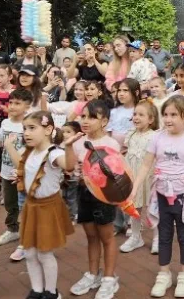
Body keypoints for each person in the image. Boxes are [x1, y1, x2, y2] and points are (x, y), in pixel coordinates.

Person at [131, 96, 184, 298]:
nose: (168, 119)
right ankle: (164, 273)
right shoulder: (157, 137)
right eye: (165, 114)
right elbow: (147, 164)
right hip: (161, 194)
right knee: (164, 235)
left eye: (174, 115)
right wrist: (135, 189)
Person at [8, 111, 75, 299]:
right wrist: (9, 147)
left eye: (32, 128)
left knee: (45, 254)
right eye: (24, 129)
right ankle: (37, 290)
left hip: (47, 208)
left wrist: (69, 147)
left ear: (48, 130)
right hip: (31, 206)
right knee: (29, 253)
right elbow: (23, 166)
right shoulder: (30, 152)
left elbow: (68, 165)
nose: (26, 133)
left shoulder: (54, 153)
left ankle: (51, 292)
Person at [68, 101, 121, 299]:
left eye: (91, 117)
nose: (85, 121)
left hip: (103, 196)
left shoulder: (111, 144)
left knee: (106, 237)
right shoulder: (77, 142)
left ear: (104, 121)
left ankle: (109, 278)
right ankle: (92, 274)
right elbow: (70, 167)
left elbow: (116, 174)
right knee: (91, 235)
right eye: (83, 116)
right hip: (84, 194)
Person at [0, 90, 33, 254]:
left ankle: (27, 238)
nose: (13, 106)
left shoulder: (30, 124)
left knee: (26, 206)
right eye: (12, 102)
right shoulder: (6, 123)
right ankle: (13, 230)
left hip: (24, 173)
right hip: (6, 171)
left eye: (18, 103)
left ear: (28, 106)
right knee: (10, 203)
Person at [119, 100, 159, 254]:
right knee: (134, 207)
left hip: (149, 177)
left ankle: (157, 238)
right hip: (132, 176)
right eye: (135, 114)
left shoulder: (154, 136)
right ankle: (136, 236)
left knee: (153, 209)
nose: (136, 117)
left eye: (141, 115)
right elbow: (126, 153)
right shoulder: (131, 134)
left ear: (151, 119)